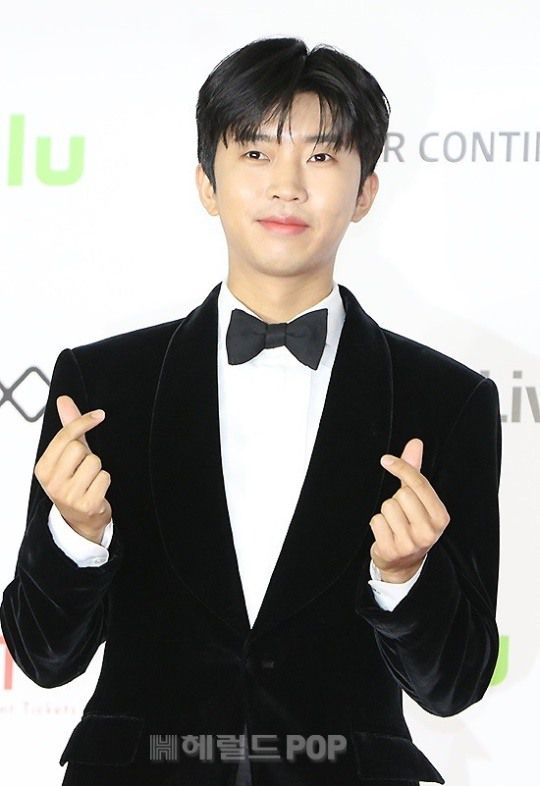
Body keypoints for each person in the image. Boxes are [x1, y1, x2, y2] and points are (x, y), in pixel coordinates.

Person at [0, 36, 502, 786]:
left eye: (321, 156)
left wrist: (405, 576)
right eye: (257, 153)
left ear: (366, 190)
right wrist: (75, 535)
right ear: (207, 182)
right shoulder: (103, 385)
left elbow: (454, 684)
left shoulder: (448, 401)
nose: (287, 186)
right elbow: (43, 657)